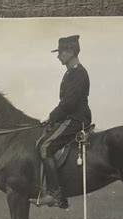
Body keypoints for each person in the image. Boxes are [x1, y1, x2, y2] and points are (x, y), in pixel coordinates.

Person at [35, 35, 92, 207]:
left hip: (76, 118)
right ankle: (61, 194)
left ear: (71, 52)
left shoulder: (79, 74)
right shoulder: (70, 72)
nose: (58, 56)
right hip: (70, 116)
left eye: (61, 52)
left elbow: (69, 103)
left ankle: (55, 194)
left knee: (45, 147)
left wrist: (51, 117)